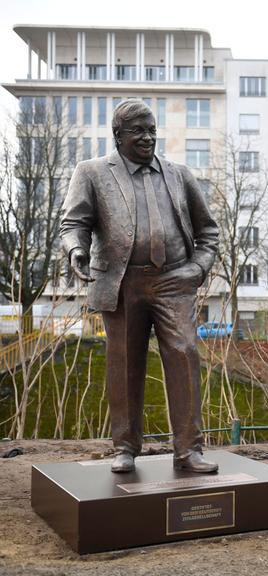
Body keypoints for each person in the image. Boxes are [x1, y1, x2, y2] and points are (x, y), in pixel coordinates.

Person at [60, 99, 220, 473]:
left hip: (174, 281)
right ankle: (125, 448)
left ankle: (188, 450)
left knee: (184, 355)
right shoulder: (92, 172)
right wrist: (76, 251)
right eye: (139, 131)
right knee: (125, 364)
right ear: (118, 136)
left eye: (152, 130)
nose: (148, 137)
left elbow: (207, 230)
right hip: (122, 282)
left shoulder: (179, 174)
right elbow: (73, 223)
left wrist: (197, 268)